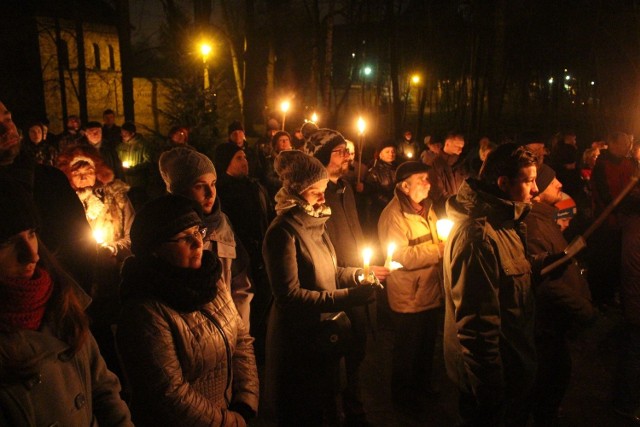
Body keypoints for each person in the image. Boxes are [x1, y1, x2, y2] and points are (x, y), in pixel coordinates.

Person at [443, 143, 564, 425]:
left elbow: (506, 279)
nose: (535, 189)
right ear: (503, 183)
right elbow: (476, 328)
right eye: (529, 181)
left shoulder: (505, 222)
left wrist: (541, 266)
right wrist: (491, 396)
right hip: (497, 384)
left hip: (513, 371)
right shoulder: (479, 238)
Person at [116, 194, 259, 426]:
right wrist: (229, 422)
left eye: (197, 232)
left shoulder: (210, 279)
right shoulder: (145, 311)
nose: (198, 242)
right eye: (184, 237)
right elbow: (169, 394)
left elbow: (241, 339)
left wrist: (244, 401)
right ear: (155, 249)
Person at [262, 150, 380, 426]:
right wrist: (349, 297)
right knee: (304, 412)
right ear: (297, 192)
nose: (323, 198)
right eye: (317, 192)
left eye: (324, 190)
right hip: (298, 342)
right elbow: (289, 297)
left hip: (323, 335)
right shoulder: (283, 232)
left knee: (327, 406)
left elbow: (332, 270)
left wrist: (357, 276)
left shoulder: (317, 224)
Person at [0, 181, 132, 426]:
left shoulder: (60, 300)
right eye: (6, 243)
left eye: (31, 233)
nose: (31, 254)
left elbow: (103, 389)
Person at [313, 129, 390, 425]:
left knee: (357, 351)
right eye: (339, 152)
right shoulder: (318, 196)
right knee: (334, 356)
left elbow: (354, 232)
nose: (348, 156)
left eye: (348, 151)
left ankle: (355, 409)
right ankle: (333, 413)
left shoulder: (345, 189)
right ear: (322, 157)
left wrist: (364, 269)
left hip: (355, 280)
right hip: (334, 286)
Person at [524, 164, 595, 425]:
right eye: (553, 183)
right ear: (539, 191)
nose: (560, 185)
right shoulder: (534, 225)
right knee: (548, 379)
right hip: (547, 324)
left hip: (555, 323)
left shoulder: (546, 220)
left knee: (555, 377)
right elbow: (545, 282)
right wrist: (582, 307)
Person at [0, 100, 96, 292]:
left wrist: (78, 297)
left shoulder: (51, 180)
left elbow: (81, 245)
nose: (6, 129)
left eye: (8, 119)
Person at [159, 147, 253, 327]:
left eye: (213, 183)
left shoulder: (223, 222)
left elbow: (241, 282)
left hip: (231, 330)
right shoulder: (167, 233)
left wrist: (239, 328)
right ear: (179, 190)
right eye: (199, 186)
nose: (210, 193)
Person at [378, 161, 444, 414]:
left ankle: (422, 387)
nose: (428, 183)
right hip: (410, 296)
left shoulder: (426, 209)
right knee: (408, 350)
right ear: (405, 186)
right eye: (422, 180)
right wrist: (438, 250)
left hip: (429, 291)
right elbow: (401, 256)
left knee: (426, 345)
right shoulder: (393, 216)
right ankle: (403, 399)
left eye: (428, 178)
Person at [214, 142, 274, 362]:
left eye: (245, 157)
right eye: (239, 158)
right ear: (227, 163)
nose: (245, 162)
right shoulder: (222, 192)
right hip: (240, 257)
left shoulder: (255, 186)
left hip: (261, 254)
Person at [429, 131, 469, 216]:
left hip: (461, 211)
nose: (460, 150)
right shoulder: (435, 164)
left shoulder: (461, 164)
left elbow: (467, 184)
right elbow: (437, 191)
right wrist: (454, 204)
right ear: (447, 144)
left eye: (462, 147)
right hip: (443, 211)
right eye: (457, 146)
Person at [365, 139, 398, 235]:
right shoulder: (374, 172)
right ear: (380, 154)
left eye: (393, 151)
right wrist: (390, 202)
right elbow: (373, 193)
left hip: (397, 208)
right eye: (387, 151)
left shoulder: (399, 168)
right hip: (380, 210)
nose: (391, 154)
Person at [116, 121, 152, 208]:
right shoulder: (120, 146)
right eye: (122, 133)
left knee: (140, 204)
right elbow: (116, 160)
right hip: (124, 181)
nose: (122, 135)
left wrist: (134, 169)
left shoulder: (143, 145)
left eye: (125, 133)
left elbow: (148, 161)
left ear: (132, 133)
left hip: (139, 182)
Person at [261, 130, 293, 199]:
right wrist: (285, 183)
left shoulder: (296, 158)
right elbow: (269, 179)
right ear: (275, 145)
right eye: (281, 140)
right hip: (278, 195)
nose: (284, 142)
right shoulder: (271, 160)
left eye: (287, 140)